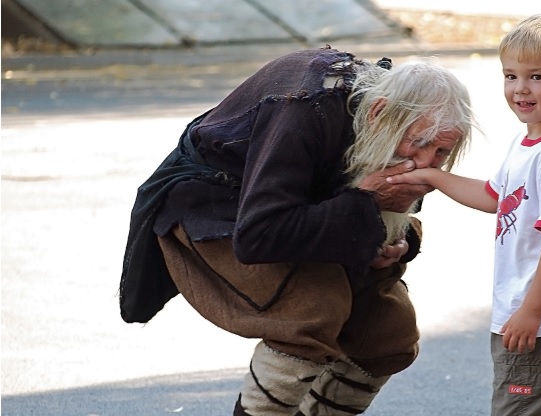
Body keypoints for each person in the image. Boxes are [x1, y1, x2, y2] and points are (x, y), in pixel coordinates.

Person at [118, 46, 474, 415]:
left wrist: (400, 239)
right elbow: (261, 235)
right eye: (419, 145)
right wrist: (365, 207)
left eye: (441, 152)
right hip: (220, 209)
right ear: (379, 112)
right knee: (312, 311)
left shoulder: (398, 126)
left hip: (305, 214)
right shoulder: (303, 107)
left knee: (388, 335)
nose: (425, 165)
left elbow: (387, 206)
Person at [387, 15, 541, 415]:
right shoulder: (531, 143)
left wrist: (530, 311)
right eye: (510, 75)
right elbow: (493, 196)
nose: (520, 88)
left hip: (539, 320)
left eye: (537, 77)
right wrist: (433, 175)